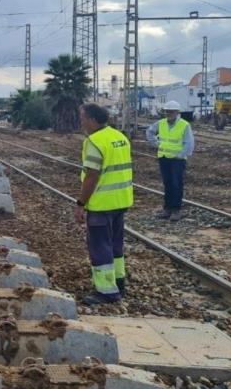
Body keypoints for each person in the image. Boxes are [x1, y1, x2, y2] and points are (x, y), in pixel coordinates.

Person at [74, 103, 133, 305]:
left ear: (92, 119)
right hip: (121, 200)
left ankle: (106, 292)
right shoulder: (119, 137)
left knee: (100, 247)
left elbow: (91, 176)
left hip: (101, 204)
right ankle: (118, 283)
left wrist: (81, 203)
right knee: (116, 245)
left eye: (82, 118)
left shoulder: (95, 141)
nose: (81, 122)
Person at [145, 100, 194, 222]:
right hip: (164, 157)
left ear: (177, 112)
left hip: (177, 160)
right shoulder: (161, 123)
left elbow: (189, 143)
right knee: (167, 184)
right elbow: (149, 132)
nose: (169, 113)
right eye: (167, 111)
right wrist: (155, 144)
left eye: (171, 111)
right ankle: (167, 209)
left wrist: (181, 155)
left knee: (176, 184)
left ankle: (176, 210)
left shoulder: (184, 125)